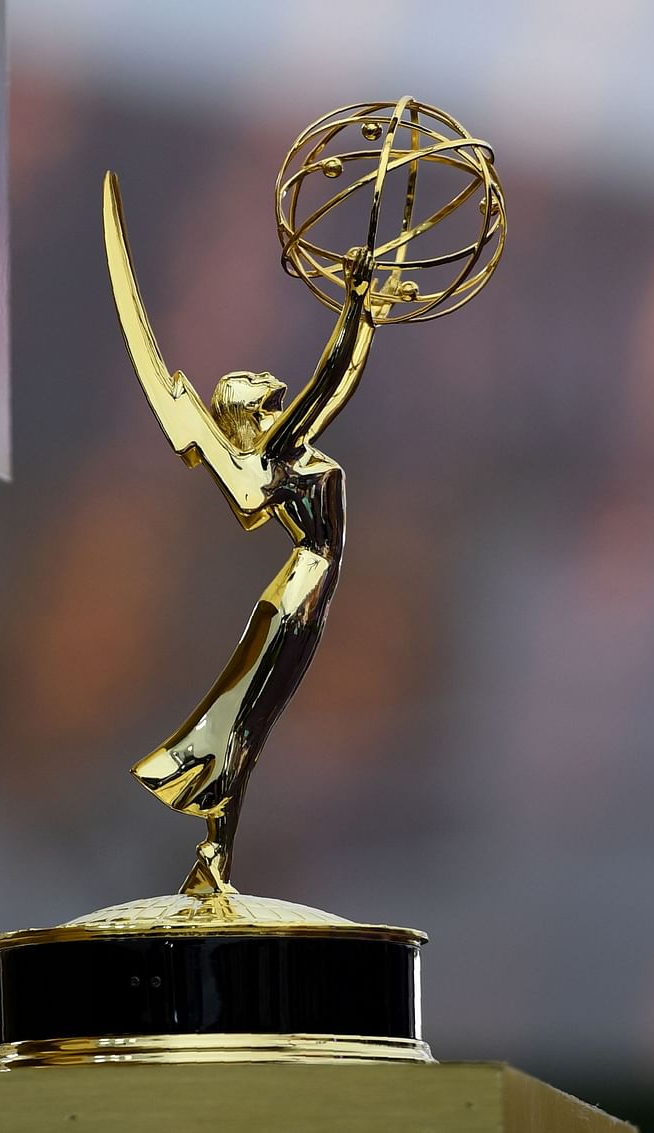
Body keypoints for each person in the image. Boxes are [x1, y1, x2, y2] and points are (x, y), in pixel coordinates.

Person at [104, 172, 376, 895]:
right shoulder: (267, 465)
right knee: (244, 727)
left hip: (301, 593)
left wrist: (362, 310)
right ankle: (215, 847)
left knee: (247, 725)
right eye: (254, 382)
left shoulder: (284, 451)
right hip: (296, 594)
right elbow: (328, 377)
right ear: (246, 414)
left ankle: (214, 845)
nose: (266, 377)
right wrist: (352, 304)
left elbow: (337, 377)